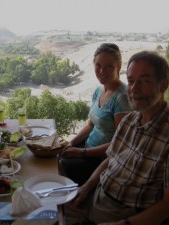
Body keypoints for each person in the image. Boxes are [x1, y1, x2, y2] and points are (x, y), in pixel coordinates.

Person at [64, 51, 169, 225]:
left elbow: (168, 205)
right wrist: (86, 188)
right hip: (97, 195)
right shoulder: (129, 120)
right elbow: (110, 160)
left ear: (163, 85)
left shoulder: (168, 136)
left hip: (120, 213)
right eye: (130, 81)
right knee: (42, 209)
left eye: (144, 81)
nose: (134, 89)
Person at [59, 43, 132, 185]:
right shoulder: (99, 91)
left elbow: (119, 145)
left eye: (109, 66)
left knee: (61, 165)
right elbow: (90, 125)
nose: (102, 71)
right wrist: (72, 142)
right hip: (87, 147)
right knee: (57, 153)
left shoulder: (122, 98)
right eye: (98, 65)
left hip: (102, 160)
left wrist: (82, 152)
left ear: (118, 66)